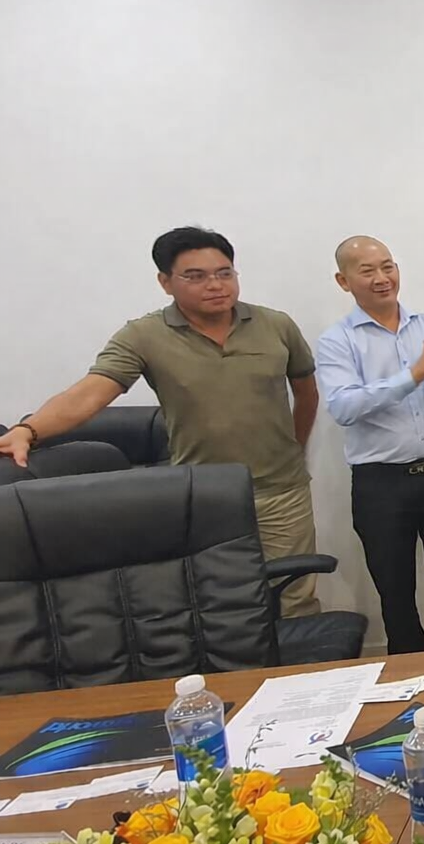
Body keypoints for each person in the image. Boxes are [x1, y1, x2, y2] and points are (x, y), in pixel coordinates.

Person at [0, 226, 324, 616]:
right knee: (219, 604)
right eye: (195, 276)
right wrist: (29, 430)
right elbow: (90, 393)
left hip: (281, 492)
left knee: (295, 598)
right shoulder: (144, 336)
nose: (215, 285)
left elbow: (306, 392)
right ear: (165, 282)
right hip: (202, 493)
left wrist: (295, 449)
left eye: (224, 273)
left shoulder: (276, 325)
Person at [315, 236, 424, 653]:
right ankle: (411, 678)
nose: (382, 278)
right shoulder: (338, 340)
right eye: (367, 270)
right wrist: (412, 376)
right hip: (381, 483)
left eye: (388, 266)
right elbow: (344, 407)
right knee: (395, 592)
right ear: (343, 281)